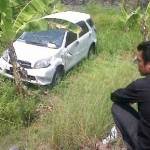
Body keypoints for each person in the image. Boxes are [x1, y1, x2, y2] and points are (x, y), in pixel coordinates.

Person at [111, 41, 150, 150]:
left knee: (117, 107)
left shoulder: (140, 86)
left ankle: (130, 145)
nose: (137, 64)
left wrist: (131, 97)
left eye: (139, 61)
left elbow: (115, 96)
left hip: (144, 146)